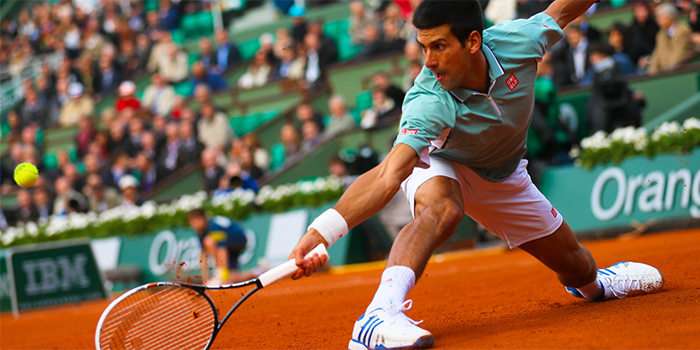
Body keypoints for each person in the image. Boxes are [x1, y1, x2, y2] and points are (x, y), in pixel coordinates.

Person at [288, 2, 665, 350]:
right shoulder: (428, 98)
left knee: (578, 266)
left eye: (438, 46)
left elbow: (564, 9)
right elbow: (389, 174)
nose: (428, 61)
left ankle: (598, 285)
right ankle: (378, 316)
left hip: (504, 173)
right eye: (423, 48)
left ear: (472, 41)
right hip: (442, 162)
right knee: (443, 209)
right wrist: (320, 232)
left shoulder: (520, 41)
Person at [187, 208, 265, 284]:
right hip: (229, 245)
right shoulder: (200, 232)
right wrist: (205, 279)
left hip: (238, 240)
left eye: (194, 221)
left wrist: (221, 274)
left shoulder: (214, 226)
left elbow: (222, 249)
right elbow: (203, 255)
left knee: (209, 241)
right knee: (232, 277)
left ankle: (219, 273)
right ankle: (259, 270)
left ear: (202, 218)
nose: (193, 225)